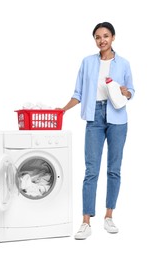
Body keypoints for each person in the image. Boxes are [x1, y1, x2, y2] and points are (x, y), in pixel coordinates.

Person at [58, 22, 135, 239]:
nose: (102, 40)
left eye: (106, 36)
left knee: (114, 169)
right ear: (95, 40)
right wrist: (63, 109)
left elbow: (131, 91)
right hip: (94, 118)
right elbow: (78, 93)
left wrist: (125, 92)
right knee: (91, 170)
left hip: (118, 119)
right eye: (98, 37)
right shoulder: (87, 62)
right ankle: (85, 222)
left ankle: (109, 216)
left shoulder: (124, 64)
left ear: (113, 37)